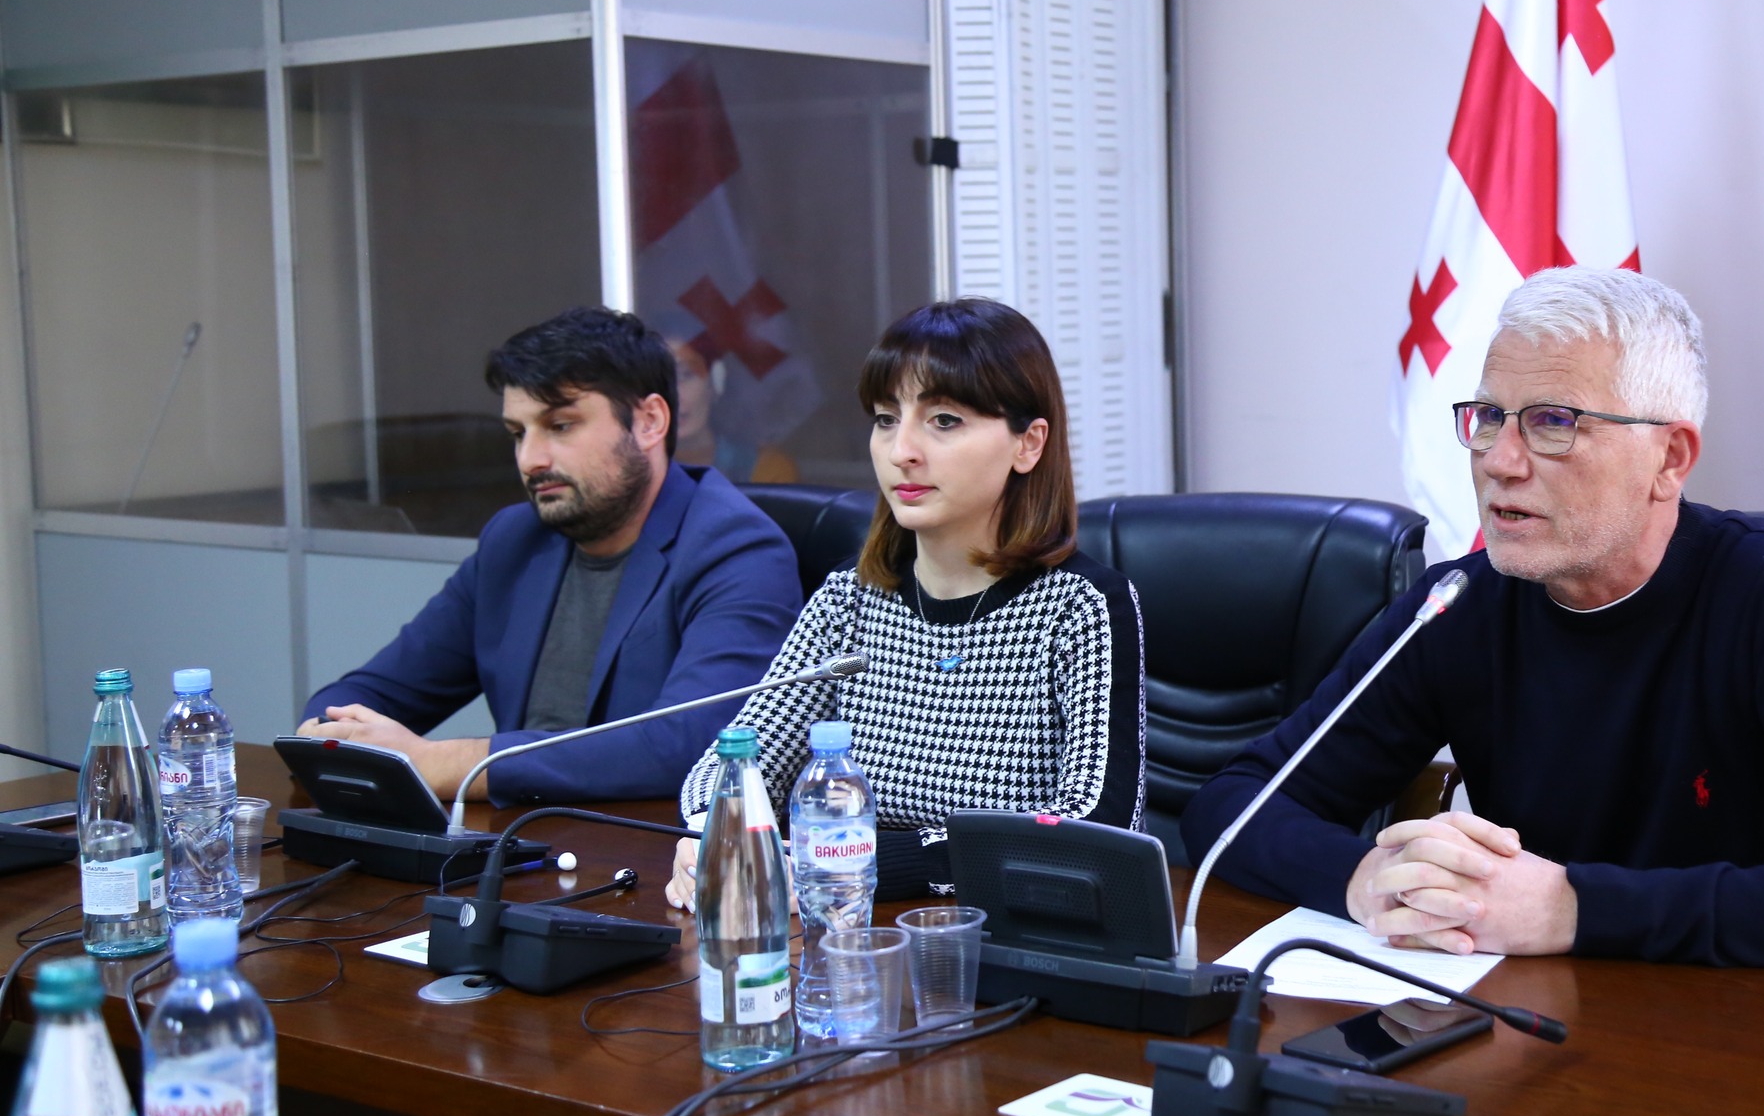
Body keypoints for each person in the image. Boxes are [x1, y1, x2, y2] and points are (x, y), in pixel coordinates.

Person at [1182, 267, 1764, 970]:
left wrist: (1572, 906)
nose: (1500, 459)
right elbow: (1234, 802)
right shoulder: (1457, 607)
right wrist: (1363, 877)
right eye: (1489, 416)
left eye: (1553, 422)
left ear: (1669, 459)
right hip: (1537, 1022)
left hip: (1748, 1031)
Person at [665, 298, 1146, 907]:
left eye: (943, 420)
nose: (901, 452)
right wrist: (713, 832)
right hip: (849, 932)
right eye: (886, 419)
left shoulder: (1079, 607)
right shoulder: (849, 599)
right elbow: (732, 762)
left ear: (1028, 444)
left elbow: (1095, 828)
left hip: (1009, 935)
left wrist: (849, 863)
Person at [299, 307, 802, 805]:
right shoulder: (515, 540)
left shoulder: (736, 549)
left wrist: (443, 763)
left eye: (560, 426)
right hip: (518, 836)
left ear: (649, 421)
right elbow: (374, 691)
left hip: (647, 845)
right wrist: (329, 732)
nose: (530, 460)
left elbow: (692, 745)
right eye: (518, 433)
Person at [668, 342, 799, 484]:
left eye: (684, 375)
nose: (672, 394)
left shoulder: (767, 469)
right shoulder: (648, 471)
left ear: (714, 383)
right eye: (655, 379)